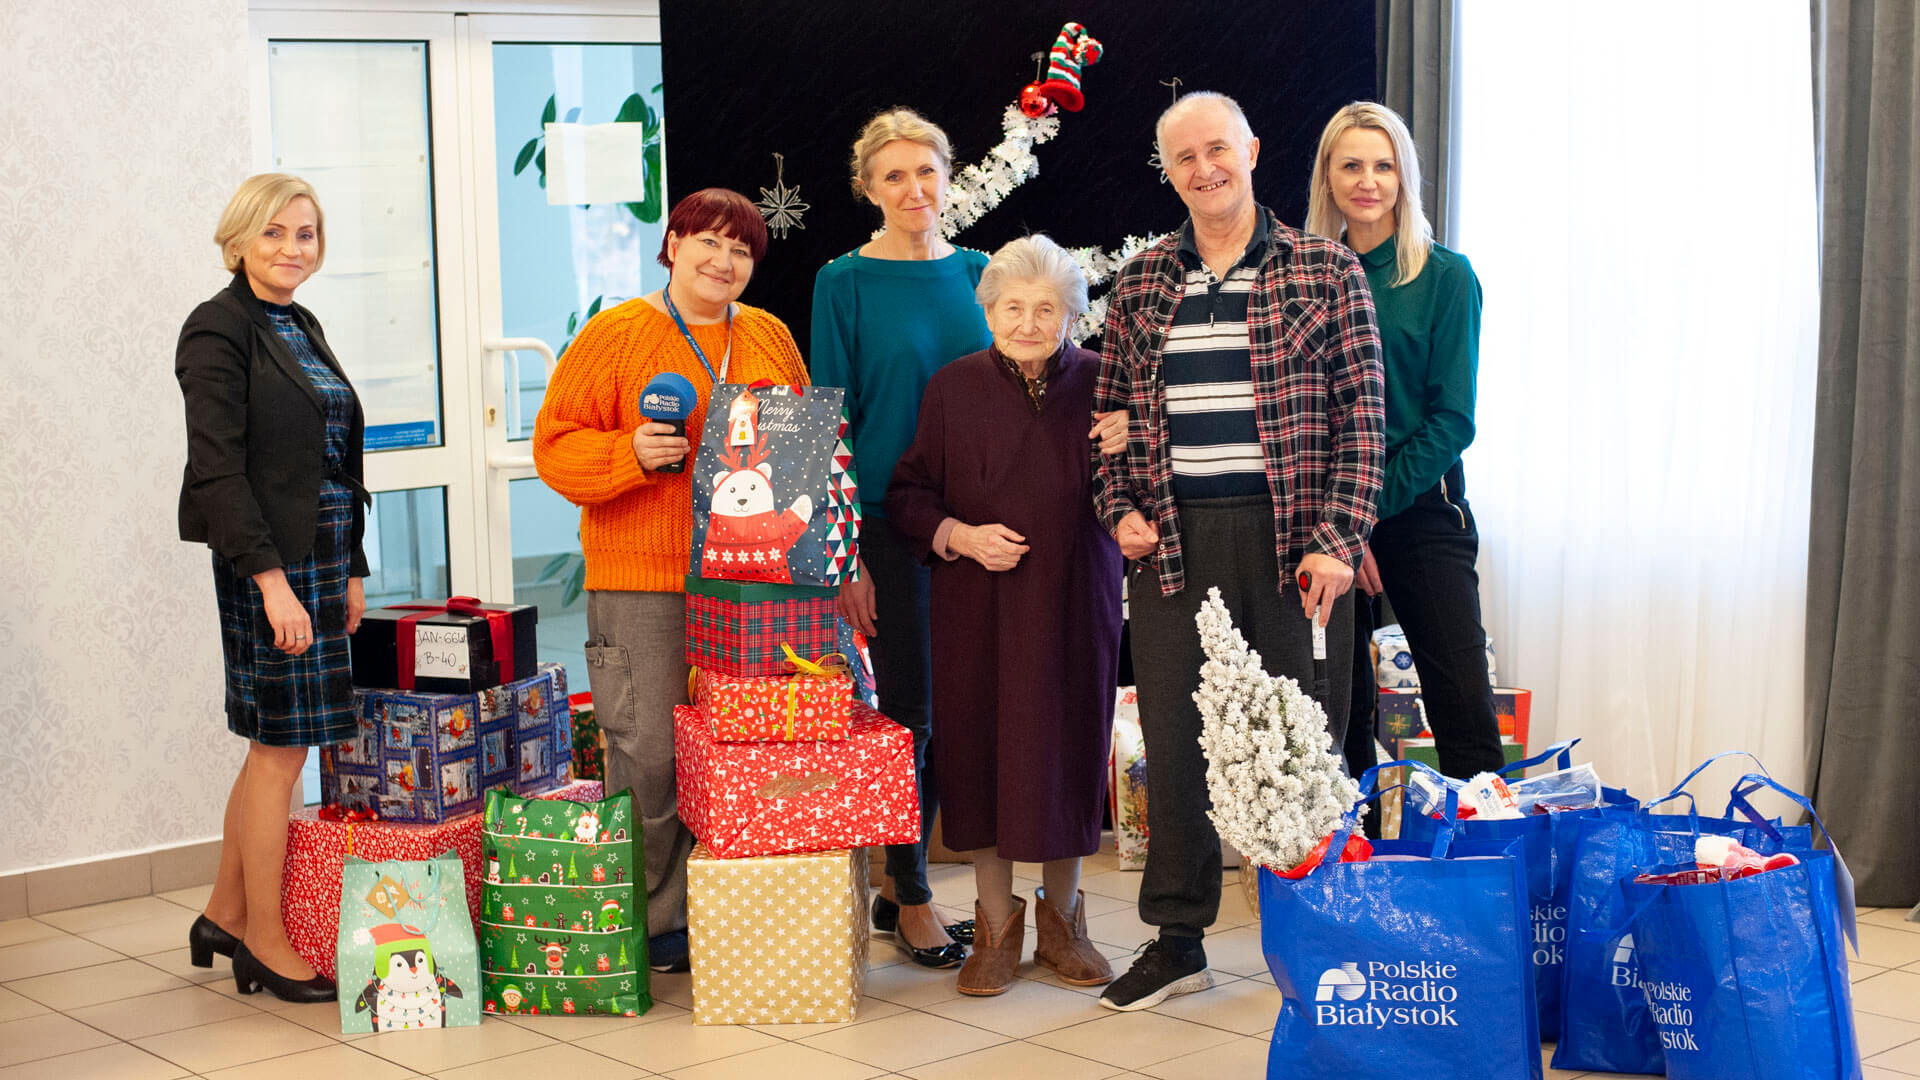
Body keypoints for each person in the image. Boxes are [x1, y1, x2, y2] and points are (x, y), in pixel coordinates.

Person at [1091, 91, 1385, 1011]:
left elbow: (1364, 419)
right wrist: (1118, 509)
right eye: (1184, 157)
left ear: (1252, 150)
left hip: (1293, 545)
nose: (1204, 169)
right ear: (1168, 171)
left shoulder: (1325, 269)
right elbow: (1108, 424)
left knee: (1303, 741)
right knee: (1178, 744)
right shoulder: (1141, 282)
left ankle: (1317, 934)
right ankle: (1178, 940)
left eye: (1217, 149)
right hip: (1174, 547)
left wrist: (1338, 540)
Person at [533, 188, 807, 974]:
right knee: (649, 752)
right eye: (708, 242)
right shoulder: (616, 333)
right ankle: (652, 921)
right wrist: (628, 454)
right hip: (642, 581)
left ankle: (730, 911)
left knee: (737, 750)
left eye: (742, 250)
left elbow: (801, 448)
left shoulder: (770, 336)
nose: (724, 261)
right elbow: (552, 447)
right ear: (674, 244)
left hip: (751, 581)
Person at [886, 234, 1124, 996]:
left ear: (1072, 316)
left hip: (1074, 599)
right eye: (1013, 307)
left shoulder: (1104, 383)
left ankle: (1064, 925)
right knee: (981, 756)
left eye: (1046, 309)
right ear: (988, 312)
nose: (1028, 323)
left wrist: (1136, 439)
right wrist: (959, 536)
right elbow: (908, 495)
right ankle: (994, 928)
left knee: (1067, 752)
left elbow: (1143, 484)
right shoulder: (953, 388)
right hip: (976, 607)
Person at [177, 173, 370, 1003]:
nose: (293, 248)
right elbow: (217, 470)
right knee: (281, 748)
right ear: (239, 241)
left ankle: (223, 914)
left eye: (306, 234)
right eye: (275, 232)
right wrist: (271, 583)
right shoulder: (217, 327)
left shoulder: (299, 323)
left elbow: (333, 459)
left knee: (275, 743)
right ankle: (263, 939)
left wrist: (352, 565)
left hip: (321, 554)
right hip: (267, 561)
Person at [1306, 102, 1507, 783]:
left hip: (1421, 509)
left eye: (1384, 166)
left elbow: (1452, 420)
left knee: (1463, 706)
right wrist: (1343, 527)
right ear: (1328, 177)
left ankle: (1483, 844)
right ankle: (1356, 844)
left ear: (1404, 177)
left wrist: (1363, 516)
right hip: (1326, 520)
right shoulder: (1306, 280)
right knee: (1340, 716)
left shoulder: (1447, 276)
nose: (1368, 181)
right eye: (1351, 165)